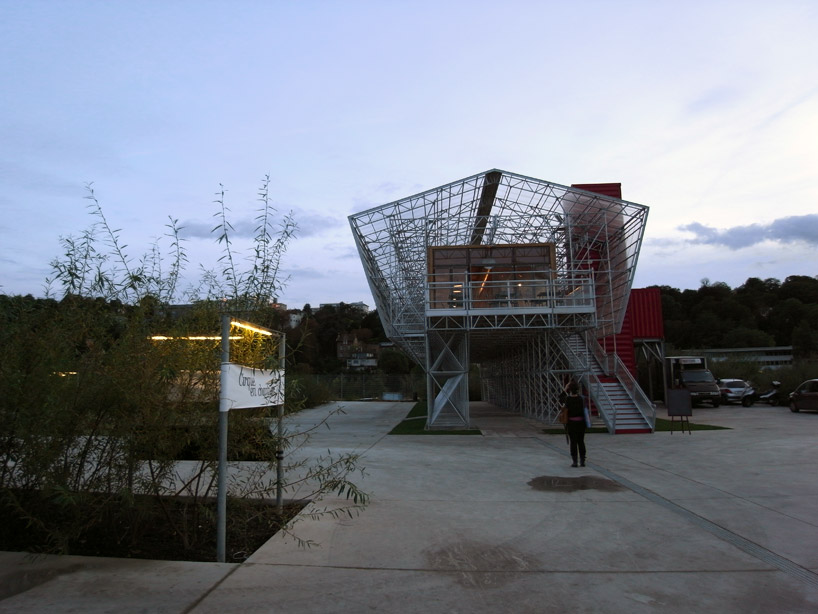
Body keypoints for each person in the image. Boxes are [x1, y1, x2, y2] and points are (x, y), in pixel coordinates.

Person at [564, 381, 587, 467]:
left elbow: (560, 398)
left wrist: (565, 388)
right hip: (581, 423)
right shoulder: (581, 399)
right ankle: (582, 460)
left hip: (571, 423)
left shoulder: (568, 399)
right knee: (581, 441)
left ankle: (575, 461)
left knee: (573, 442)